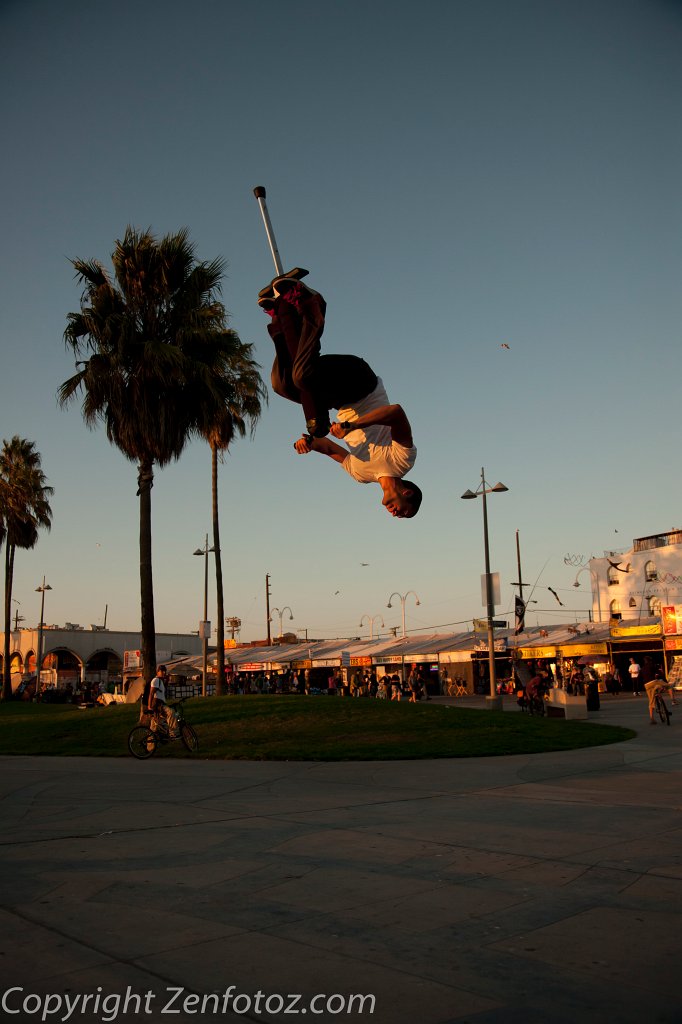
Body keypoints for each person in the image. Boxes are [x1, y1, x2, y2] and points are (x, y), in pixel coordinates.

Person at [260, 272, 422, 519]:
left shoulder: (361, 475)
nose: (394, 514)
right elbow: (396, 413)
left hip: (337, 399)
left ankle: (281, 317)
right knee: (303, 376)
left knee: (283, 385)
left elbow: (327, 448)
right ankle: (311, 304)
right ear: (408, 494)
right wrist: (353, 425)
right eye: (403, 513)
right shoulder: (403, 461)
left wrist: (308, 444)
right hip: (360, 383)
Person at [148, 665, 179, 737]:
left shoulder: (161, 681)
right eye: (162, 671)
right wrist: (149, 706)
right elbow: (151, 693)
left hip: (161, 704)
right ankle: (173, 732)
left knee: (154, 728)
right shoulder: (156, 680)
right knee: (171, 712)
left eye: (165, 671)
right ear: (158, 671)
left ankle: (150, 747)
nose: (164, 672)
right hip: (158, 705)